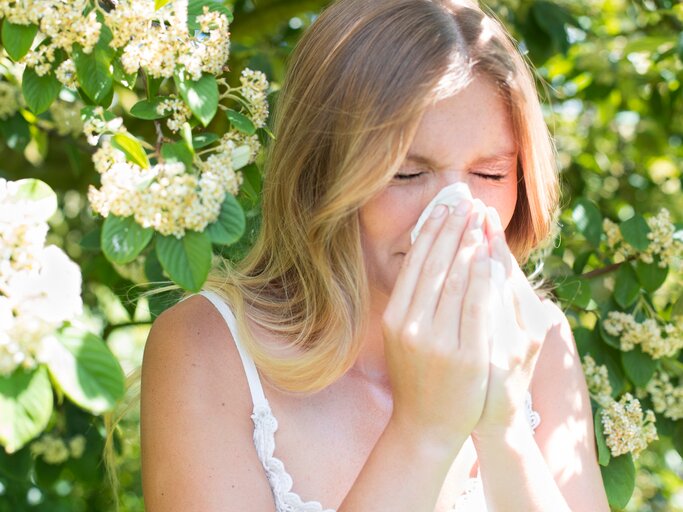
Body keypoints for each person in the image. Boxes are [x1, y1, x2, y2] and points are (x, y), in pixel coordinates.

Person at [140, 0, 610, 510]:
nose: (454, 212)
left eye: (491, 174)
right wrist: (423, 431)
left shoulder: (538, 343)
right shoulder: (206, 349)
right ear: (322, 173)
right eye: (406, 174)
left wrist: (505, 430)